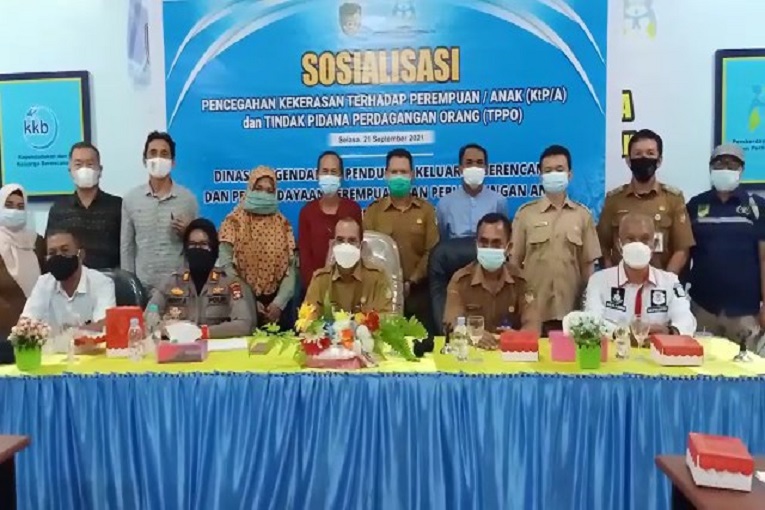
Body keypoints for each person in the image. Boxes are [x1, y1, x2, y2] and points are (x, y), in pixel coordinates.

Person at [511, 145, 601, 335]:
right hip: (534, 314)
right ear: (540, 175)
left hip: (571, 313)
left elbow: (588, 269)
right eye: (548, 170)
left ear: (570, 174)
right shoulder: (525, 215)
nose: (554, 174)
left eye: (559, 169)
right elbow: (514, 264)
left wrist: (587, 310)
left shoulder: (583, 215)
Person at [685, 144, 765, 350]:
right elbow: (685, 253)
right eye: (719, 164)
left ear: (741, 169)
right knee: (699, 364)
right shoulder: (695, 205)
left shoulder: (757, 207)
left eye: (731, 164)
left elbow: (764, 258)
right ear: (710, 168)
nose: (725, 168)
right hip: (703, 308)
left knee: (746, 366)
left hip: (745, 311)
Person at [597, 129, 694, 274]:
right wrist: (613, 278)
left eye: (650, 153)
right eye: (638, 154)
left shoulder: (673, 199)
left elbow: (682, 249)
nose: (644, 158)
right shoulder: (614, 200)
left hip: (661, 283)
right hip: (620, 283)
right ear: (628, 161)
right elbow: (602, 246)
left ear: (659, 160)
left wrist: (665, 282)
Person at [363, 148, 439, 331]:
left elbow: (432, 251)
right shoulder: (374, 212)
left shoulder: (426, 211)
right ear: (386, 175)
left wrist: (411, 281)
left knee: (420, 342)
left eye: (403, 172)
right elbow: (366, 251)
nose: (399, 176)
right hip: (382, 294)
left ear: (412, 175)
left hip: (418, 293)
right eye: (394, 172)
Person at [585, 213, 696, 335]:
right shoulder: (599, 281)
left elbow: (686, 319)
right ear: (619, 244)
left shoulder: (670, 282)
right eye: (630, 239)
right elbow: (592, 321)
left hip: (656, 346)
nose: (638, 245)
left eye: (644, 239)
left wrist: (668, 331)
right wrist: (628, 332)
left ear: (654, 244)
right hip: (615, 346)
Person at [444, 213, 541, 348]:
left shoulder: (521, 281)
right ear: (476, 245)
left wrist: (517, 338)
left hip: (508, 353)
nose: (489, 248)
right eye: (483, 242)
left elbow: (533, 325)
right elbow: (451, 323)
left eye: (496, 244)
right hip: (472, 353)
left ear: (509, 248)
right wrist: (471, 334)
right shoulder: (461, 280)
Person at [148, 219, 253, 338]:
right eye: (192, 245)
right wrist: (165, 328)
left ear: (213, 248)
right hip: (178, 345)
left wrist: (202, 333)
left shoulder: (229, 283)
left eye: (203, 244)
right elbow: (149, 316)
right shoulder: (172, 282)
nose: (197, 249)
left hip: (215, 347)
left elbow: (244, 325)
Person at [219, 166, 296, 329]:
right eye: (259, 188)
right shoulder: (233, 222)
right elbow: (226, 267)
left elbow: (291, 269)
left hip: (277, 308)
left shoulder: (283, 224)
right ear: (250, 188)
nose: (263, 195)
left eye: (269, 191)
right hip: (240, 302)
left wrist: (278, 304)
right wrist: (249, 301)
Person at [121, 131, 199, 290]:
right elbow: (127, 248)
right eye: (153, 153)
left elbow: (198, 245)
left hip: (179, 288)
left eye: (164, 154)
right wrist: (130, 287)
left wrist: (189, 232)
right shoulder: (131, 199)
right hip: (143, 289)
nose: (158, 158)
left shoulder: (188, 199)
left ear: (173, 162)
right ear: (145, 160)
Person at [45, 141, 122, 269]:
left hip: (111, 277)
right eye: (78, 164)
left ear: (100, 170)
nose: (84, 169)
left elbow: (126, 249)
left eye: (90, 164)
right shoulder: (59, 209)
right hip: (70, 278)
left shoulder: (117, 206)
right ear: (70, 171)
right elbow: (51, 251)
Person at [21, 229, 116, 332]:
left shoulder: (101, 283)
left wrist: (68, 335)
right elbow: (25, 324)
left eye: (65, 250)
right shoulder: (43, 283)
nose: (58, 256)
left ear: (81, 254)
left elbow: (105, 325)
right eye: (52, 253)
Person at [298, 151, 362, 290]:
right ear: (317, 175)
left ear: (341, 176)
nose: (329, 176)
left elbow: (359, 250)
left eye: (333, 172)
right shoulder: (307, 212)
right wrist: (316, 288)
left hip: (349, 287)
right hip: (315, 288)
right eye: (325, 171)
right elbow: (305, 258)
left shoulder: (353, 209)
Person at [303, 217, 393, 313]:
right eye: (340, 240)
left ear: (361, 246)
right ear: (333, 245)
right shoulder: (320, 280)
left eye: (352, 240)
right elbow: (308, 318)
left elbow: (386, 317)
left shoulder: (377, 278)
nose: (346, 246)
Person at [0, 184, 45, 338]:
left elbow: (47, 282)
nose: (14, 211)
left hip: (37, 327)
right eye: (9, 205)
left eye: (20, 207)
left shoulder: (37, 242)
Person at [436, 143, 506, 239]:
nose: (474, 167)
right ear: (460, 168)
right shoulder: (445, 203)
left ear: (486, 168)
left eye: (479, 162)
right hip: (456, 248)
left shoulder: (499, 201)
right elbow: (442, 237)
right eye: (469, 163)